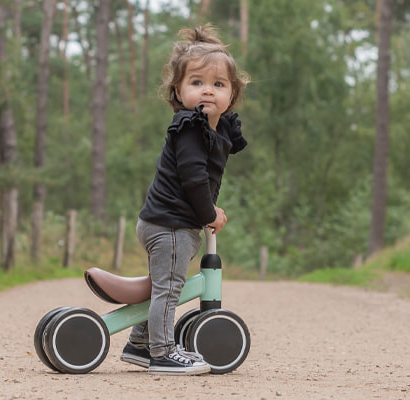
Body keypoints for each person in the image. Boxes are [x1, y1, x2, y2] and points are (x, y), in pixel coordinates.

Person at [120, 24, 249, 375]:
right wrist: (209, 213)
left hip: (172, 223)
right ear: (178, 90)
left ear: (232, 93)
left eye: (218, 84)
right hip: (169, 224)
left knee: (164, 284)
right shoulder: (189, 128)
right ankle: (162, 352)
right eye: (197, 83)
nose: (208, 91)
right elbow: (194, 181)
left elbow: (212, 168)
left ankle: (140, 342)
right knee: (171, 288)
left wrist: (208, 209)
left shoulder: (216, 128)